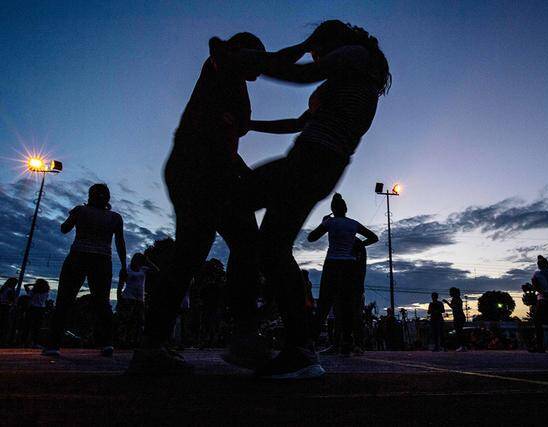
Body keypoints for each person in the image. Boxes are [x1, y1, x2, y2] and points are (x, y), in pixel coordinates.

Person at [213, 19, 391, 378]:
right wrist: (252, 126)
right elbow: (299, 122)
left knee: (233, 206)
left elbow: (301, 75)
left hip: (314, 158)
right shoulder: (352, 76)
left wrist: (251, 61)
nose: (313, 51)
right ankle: (295, 344)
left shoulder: (356, 55)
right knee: (271, 245)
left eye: (316, 45)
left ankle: (255, 322)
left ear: (329, 40)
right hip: (316, 159)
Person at [129, 33, 268, 374]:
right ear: (242, 53)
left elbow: (232, 133)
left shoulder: (233, 84)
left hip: (210, 168)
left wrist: (296, 125)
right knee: (228, 244)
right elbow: (216, 45)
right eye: (258, 59)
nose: (261, 68)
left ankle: (156, 343)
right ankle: (241, 334)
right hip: (199, 169)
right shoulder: (222, 66)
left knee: (214, 249)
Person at [42, 183, 127, 358]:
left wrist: (72, 215)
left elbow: (64, 229)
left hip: (78, 256)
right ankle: (107, 343)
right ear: (108, 198)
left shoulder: (81, 211)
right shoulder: (115, 217)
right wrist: (124, 265)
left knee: (65, 299)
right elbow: (120, 243)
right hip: (102, 259)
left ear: (90, 195)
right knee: (102, 301)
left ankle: (53, 345)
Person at [308, 193, 378, 355]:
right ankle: (347, 343)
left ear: (333, 209)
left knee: (324, 303)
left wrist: (323, 223)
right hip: (350, 266)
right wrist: (359, 245)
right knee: (346, 305)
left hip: (333, 263)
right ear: (346, 209)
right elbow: (374, 238)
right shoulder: (353, 224)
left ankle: (310, 342)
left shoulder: (330, 222)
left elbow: (311, 238)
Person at [116, 253, 157, 348]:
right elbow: (120, 285)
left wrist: (148, 261)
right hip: (128, 298)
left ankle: (134, 341)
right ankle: (123, 341)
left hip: (140, 299)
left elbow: (156, 271)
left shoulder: (143, 269)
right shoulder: (127, 270)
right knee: (126, 321)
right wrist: (119, 299)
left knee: (139, 321)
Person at [22, 279, 50, 347]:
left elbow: (26, 287)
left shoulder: (33, 292)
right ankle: (34, 342)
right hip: (41, 310)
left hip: (32, 309)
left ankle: (24, 342)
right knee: (37, 327)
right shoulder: (46, 292)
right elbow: (45, 302)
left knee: (27, 326)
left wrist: (33, 285)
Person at [443, 287, 467, 352]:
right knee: (459, 331)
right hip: (460, 316)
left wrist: (447, 302)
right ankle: (462, 346)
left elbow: (453, 307)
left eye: (451, 292)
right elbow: (453, 307)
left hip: (458, 317)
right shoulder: (457, 299)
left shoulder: (455, 299)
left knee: (459, 331)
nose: (450, 293)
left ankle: (462, 346)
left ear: (454, 292)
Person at [0, 278, 18, 345]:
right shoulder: (10, 290)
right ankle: (3, 340)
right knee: (5, 324)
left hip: (2, 305)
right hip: (6, 307)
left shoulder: (3, 288)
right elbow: (11, 300)